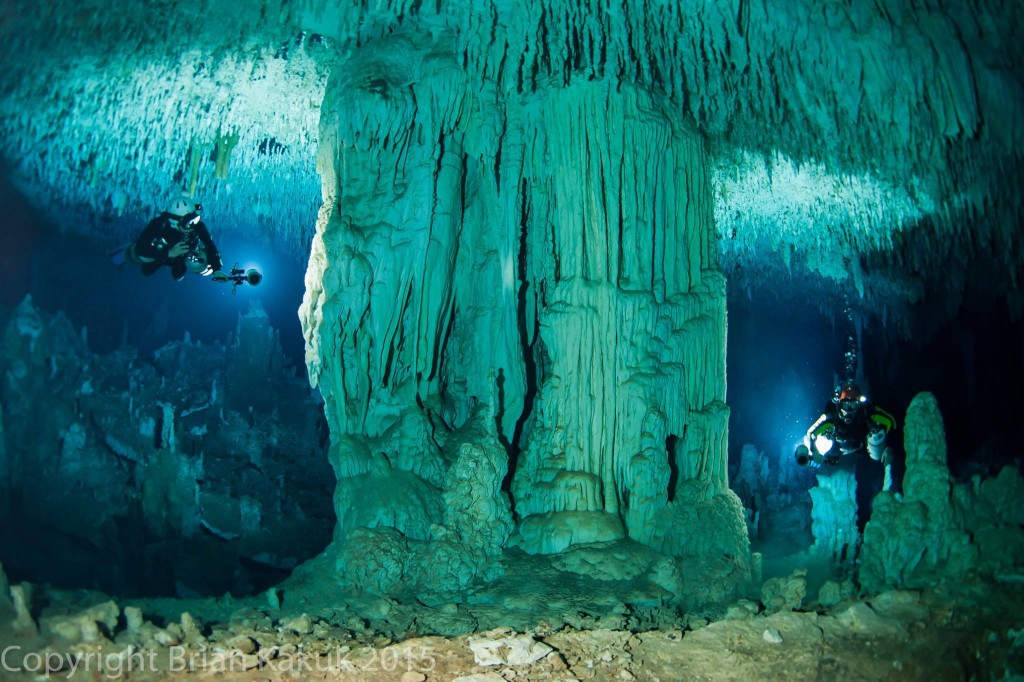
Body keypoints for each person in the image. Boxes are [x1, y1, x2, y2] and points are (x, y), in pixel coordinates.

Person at [795, 381, 897, 487]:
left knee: (877, 438)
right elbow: (811, 433)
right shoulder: (832, 416)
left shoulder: (867, 411)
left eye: (853, 405)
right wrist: (814, 451)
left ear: (859, 404)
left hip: (862, 446)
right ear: (839, 403)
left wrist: (889, 447)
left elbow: (891, 422)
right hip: (837, 447)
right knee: (821, 442)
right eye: (845, 404)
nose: (848, 409)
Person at [117, 198, 222, 281]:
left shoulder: (195, 231)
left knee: (143, 259)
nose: (193, 225)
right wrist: (168, 253)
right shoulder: (159, 225)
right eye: (190, 221)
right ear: (176, 222)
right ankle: (123, 252)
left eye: (195, 219)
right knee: (138, 255)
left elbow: (147, 270)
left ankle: (123, 255)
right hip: (144, 248)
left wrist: (216, 269)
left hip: (155, 254)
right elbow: (141, 251)